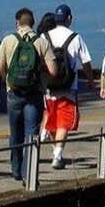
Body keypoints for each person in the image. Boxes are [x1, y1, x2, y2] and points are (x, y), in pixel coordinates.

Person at [0, 8, 56, 182]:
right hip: (34, 93)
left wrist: (9, 77)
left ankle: (15, 169)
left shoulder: (8, 40)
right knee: (31, 133)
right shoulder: (41, 42)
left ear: (17, 23)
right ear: (33, 23)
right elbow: (53, 70)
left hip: (13, 92)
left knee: (15, 133)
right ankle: (28, 172)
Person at [43, 4, 94, 170]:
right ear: (69, 18)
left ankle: (56, 151)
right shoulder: (75, 37)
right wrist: (90, 80)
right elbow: (85, 61)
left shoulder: (44, 37)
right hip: (68, 86)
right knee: (63, 122)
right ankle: (57, 154)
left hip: (49, 86)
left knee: (52, 122)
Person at [36, 11, 57, 140]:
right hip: (51, 76)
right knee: (50, 107)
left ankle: (44, 130)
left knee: (44, 106)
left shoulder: (40, 37)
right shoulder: (52, 38)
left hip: (40, 77)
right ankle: (46, 130)